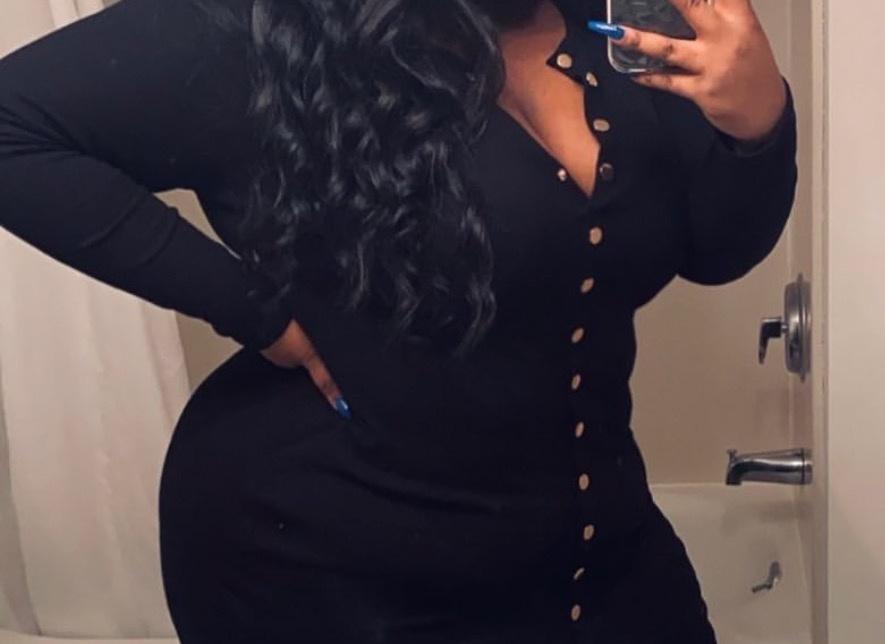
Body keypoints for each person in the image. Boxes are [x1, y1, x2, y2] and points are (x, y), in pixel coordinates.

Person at [0, 0, 797, 642]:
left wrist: (756, 123)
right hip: (327, 566)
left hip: (599, 553)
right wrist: (253, 310)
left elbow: (715, 252)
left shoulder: (613, 26)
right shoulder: (263, 27)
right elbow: (13, 127)